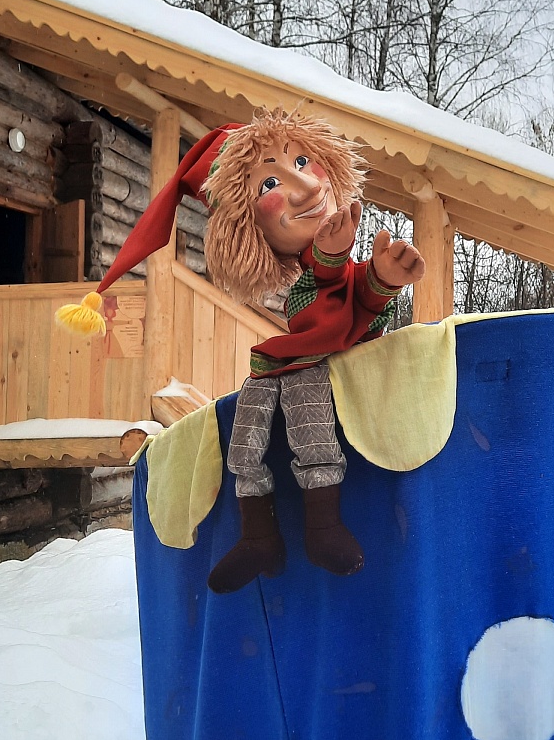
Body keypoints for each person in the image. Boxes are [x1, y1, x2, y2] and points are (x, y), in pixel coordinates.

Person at [57, 107, 425, 592]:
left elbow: (341, 311)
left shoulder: (334, 269)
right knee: (245, 434)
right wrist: (348, 270)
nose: (306, 185)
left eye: (304, 161)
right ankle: (258, 534)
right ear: (249, 232)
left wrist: (381, 278)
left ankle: (322, 525)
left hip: (310, 371)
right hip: (273, 367)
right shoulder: (303, 283)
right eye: (268, 185)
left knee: (308, 410)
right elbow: (317, 304)